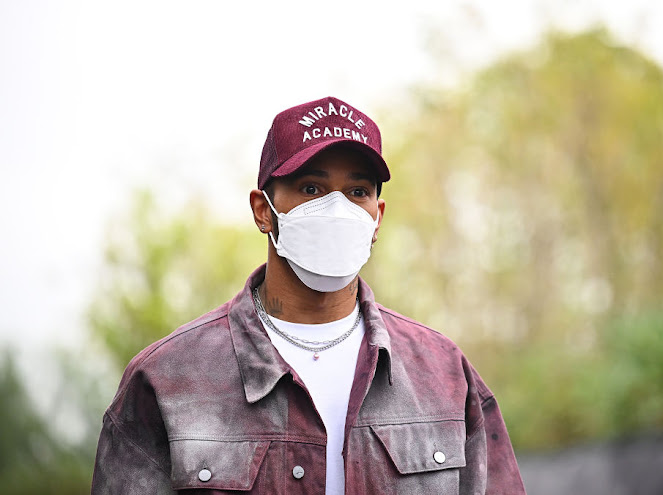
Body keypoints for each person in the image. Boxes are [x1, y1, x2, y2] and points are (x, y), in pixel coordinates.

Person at [91, 96, 527, 494]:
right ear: (264, 210)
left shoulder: (444, 375)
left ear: (377, 218)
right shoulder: (168, 379)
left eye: (358, 192)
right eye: (312, 189)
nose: (337, 210)